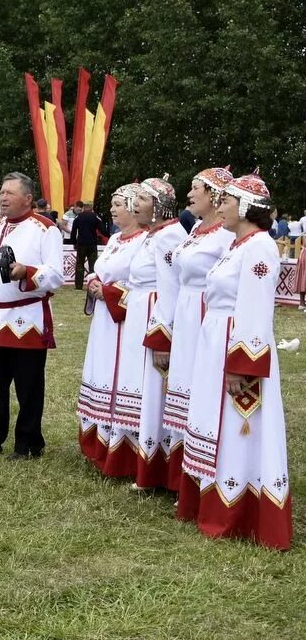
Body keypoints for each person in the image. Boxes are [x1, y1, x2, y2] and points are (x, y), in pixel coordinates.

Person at [178, 172, 292, 550]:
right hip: (215, 342)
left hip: (236, 346)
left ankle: (236, 511)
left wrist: (243, 364)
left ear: (244, 207)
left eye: (226, 202)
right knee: (214, 421)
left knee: (238, 426)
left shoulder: (259, 246)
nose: (220, 207)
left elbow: (256, 309)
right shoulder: (238, 245)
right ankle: (212, 499)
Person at [0, 172, 64, 459]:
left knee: (28, 386)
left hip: (27, 319)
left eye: (9, 192)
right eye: (2, 191)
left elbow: (56, 274)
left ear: (28, 198)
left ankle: (29, 444)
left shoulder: (46, 229)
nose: (2, 197)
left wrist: (27, 272)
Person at [165, 168, 235, 505]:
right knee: (182, 389)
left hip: (205, 313)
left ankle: (202, 479)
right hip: (186, 310)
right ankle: (183, 476)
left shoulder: (225, 235)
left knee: (200, 391)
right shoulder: (195, 228)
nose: (189, 193)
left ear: (215, 195)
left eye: (195, 188)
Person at [77, 184, 148, 468]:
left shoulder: (145, 242)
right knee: (103, 371)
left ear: (133, 207)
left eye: (119, 204)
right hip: (105, 322)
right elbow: (102, 268)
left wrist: (106, 292)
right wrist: (93, 279)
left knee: (122, 376)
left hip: (126, 322)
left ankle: (123, 447)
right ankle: (99, 440)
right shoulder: (116, 239)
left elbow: (143, 286)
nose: (113, 209)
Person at [132, 176, 188, 490]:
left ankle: (159, 469)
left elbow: (170, 290)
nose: (134, 205)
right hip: (147, 317)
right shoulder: (154, 235)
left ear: (159, 204)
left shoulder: (169, 237)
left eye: (141, 198)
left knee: (159, 396)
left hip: (159, 321)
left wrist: (163, 336)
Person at [70, 200, 105, 289]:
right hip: (92, 243)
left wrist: (74, 242)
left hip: (81, 243)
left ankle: (78, 286)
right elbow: (102, 229)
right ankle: (92, 284)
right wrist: (108, 236)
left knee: (79, 264)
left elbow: (73, 231)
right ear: (91, 206)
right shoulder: (95, 217)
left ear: (84, 207)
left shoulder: (78, 217)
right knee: (92, 265)